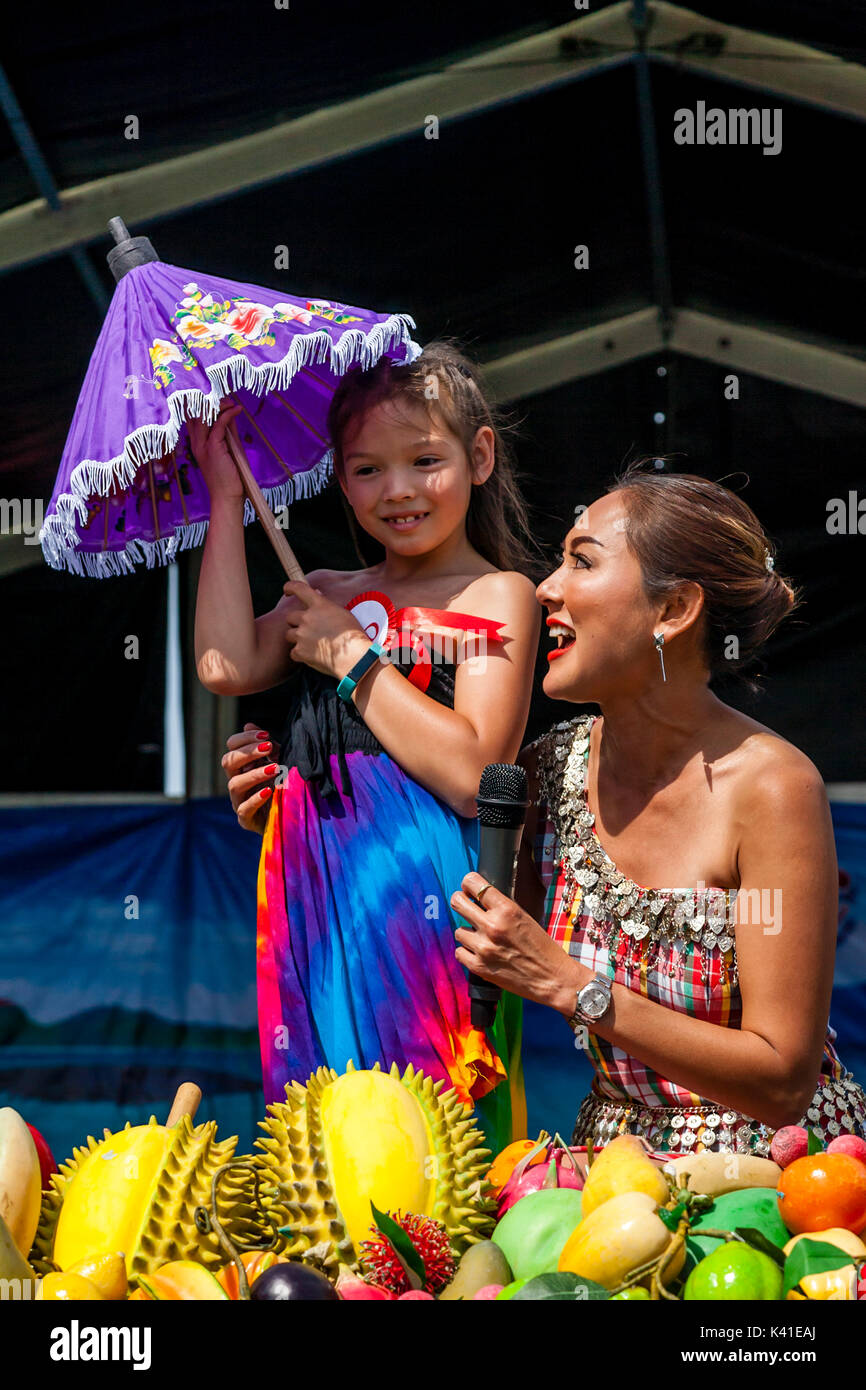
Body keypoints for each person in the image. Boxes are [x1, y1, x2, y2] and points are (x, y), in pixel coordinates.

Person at [448, 461, 866, 1154]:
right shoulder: (545, 772)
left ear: (673, 610)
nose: (546, 590)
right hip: (611, 1180)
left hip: (777, 1184)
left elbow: (781, 1080)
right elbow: (461, 935)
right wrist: (300, 800)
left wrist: (575, 986)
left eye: (582, 562)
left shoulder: (771, 788)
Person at [196, 341, 543, 1152]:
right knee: (326, 1131)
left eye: (425, 460)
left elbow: (472, 774)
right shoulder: (323, 594)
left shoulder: (499, 596)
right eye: (364, 470)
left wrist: (350, 656)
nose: (398, 492)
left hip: (434, 909)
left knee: (435, 1138)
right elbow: (223, 665)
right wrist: (223, 498)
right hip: (311, 895)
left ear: (480, 455)